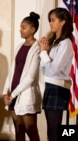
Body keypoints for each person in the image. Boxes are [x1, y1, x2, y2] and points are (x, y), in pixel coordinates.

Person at [2, 12, 41, 141]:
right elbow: (12, 71)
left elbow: (30, 77)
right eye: (20, 27)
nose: (20, 30)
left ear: (32, 29)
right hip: (12, 93)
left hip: (25, 94)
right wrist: (5, 92)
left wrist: (13, 94)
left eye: (23, 27)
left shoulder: (37, 48)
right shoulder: (19, 46)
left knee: (31, 130)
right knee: (18, 129)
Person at [39, 7, 73, 141]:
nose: (50, 23)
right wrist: (44, 51)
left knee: (55, 132)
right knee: (51, 132)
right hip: (50, 87)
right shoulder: (54, 43)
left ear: (63, 22)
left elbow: (55, 69)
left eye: (53, 20)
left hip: (58, 88)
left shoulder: (66, 43)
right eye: (50, 20)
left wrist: (43, 53)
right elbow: (44, 70)